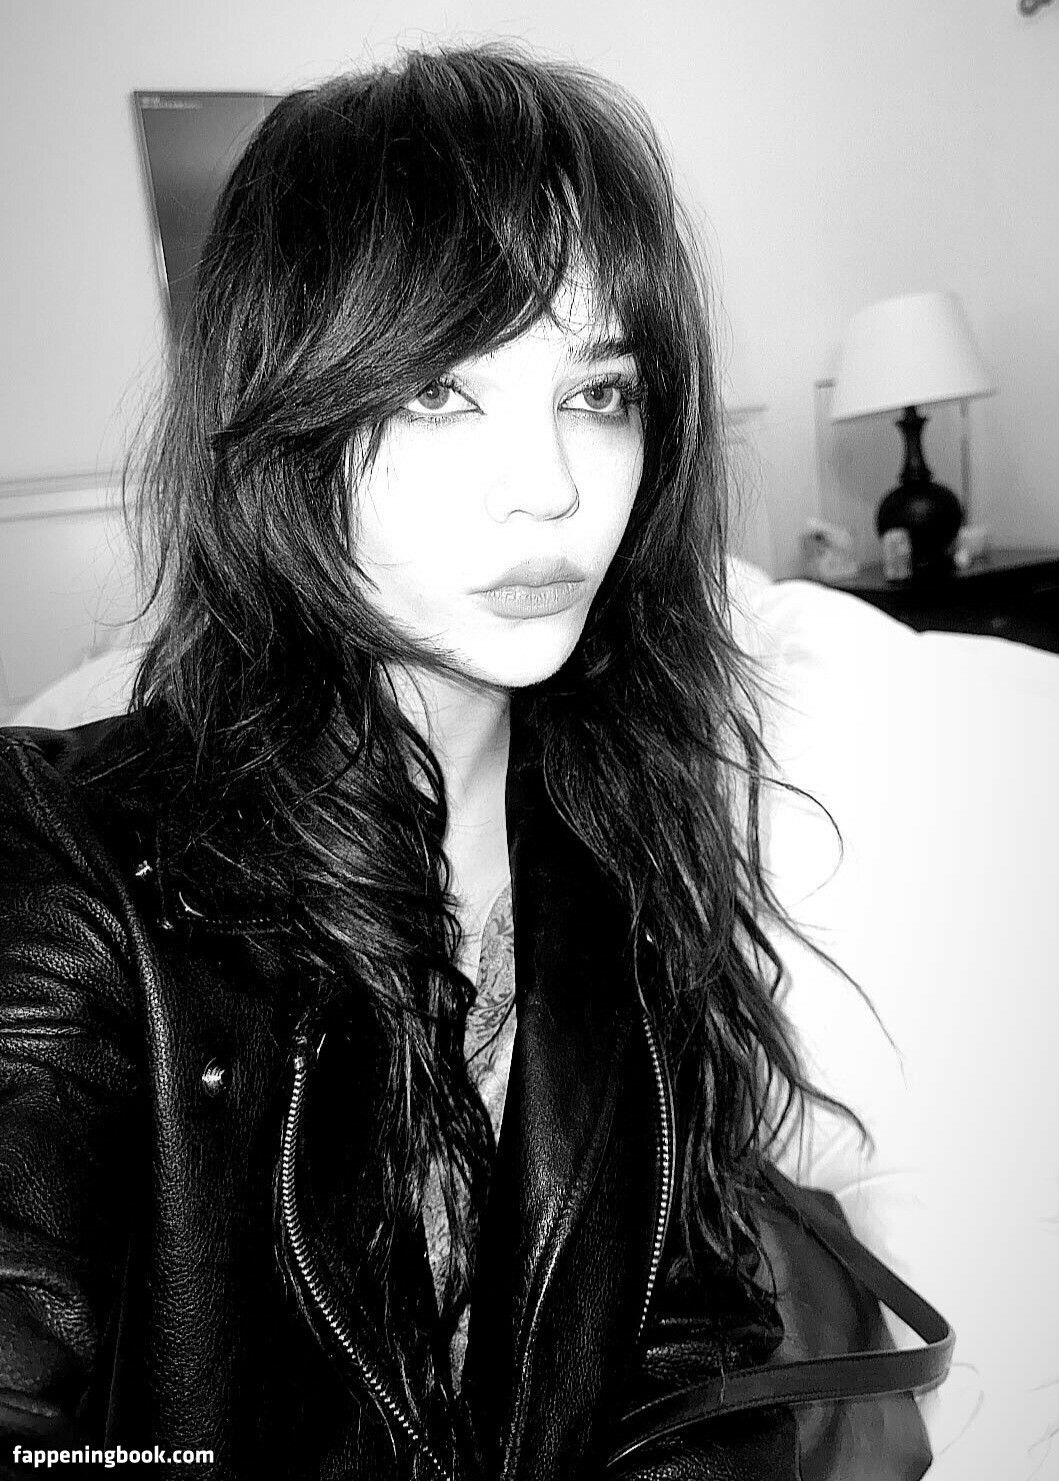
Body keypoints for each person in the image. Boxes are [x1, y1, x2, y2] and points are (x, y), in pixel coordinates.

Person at [0, 43, 935, 1481]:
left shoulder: (622, 829)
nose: (549, 485)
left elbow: (685, 1337)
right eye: (439, 393)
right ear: (286, 420)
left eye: (598, 391)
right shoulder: (64, 855)